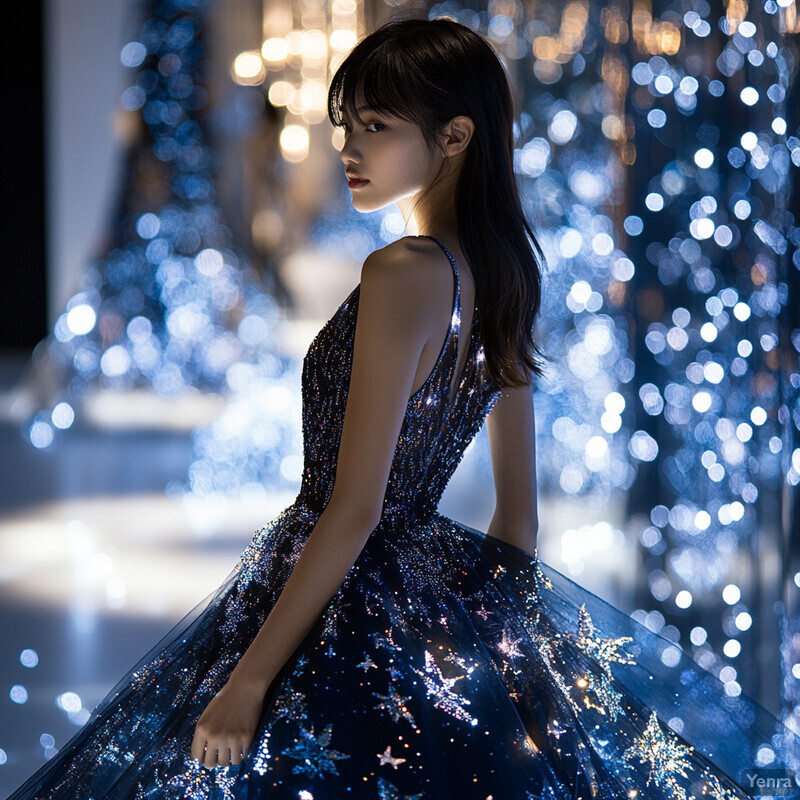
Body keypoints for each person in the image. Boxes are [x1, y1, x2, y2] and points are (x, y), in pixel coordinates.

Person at [7, 16, 798, 800]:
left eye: (376, 126)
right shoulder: (507, 271)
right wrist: (498, 660)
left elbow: (354, 508)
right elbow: (518, 520)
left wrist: (248, 683)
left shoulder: (402, 272)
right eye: (346, 124)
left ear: (454, 136)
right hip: (433, 601)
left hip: (343, 598)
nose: (348, 148)